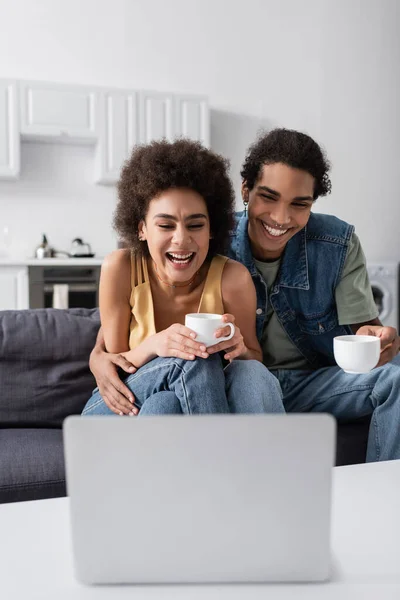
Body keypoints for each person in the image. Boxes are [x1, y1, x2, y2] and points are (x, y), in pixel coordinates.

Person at [90, 128, 400, 461]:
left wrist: (381, 338)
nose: (281, 218)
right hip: (229, 382)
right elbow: (123, 323)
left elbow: (366, 329)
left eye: (299, 204)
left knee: (394, 379)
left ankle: (384, 498)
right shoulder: (207, 238)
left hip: (304, 382)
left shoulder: (335, 245)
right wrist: (98, 356)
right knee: (225, 377)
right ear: (246, 191)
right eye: (268, 197)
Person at [82, 138, 284, 417]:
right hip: (120, 401)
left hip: (172, 407)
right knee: (193, 358)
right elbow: (117, 368)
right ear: (142, 229)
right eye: (165, 225)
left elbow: (254, 357)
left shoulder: (232, 278)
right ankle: (230, 458)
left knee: (171, 403)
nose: (181, 239)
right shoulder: (121, 268)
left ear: (212, 229)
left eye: (196, 225)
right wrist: (156, 346)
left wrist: (239, 347)